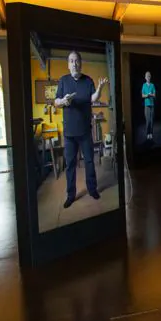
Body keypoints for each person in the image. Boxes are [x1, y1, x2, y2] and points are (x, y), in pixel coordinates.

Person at [54, 51, 109, 209]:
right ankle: (71, 195)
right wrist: (63, 101)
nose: (74, 64)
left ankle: (92, 189)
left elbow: (93, 98)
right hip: (69, 133)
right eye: (71, 61)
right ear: (68, 64)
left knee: (90, 161)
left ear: (80, 63)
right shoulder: (63, 81)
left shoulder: (88, 80)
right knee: (70, 164)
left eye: (77, 61)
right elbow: (56, 101)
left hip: (85, 131)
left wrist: (99, 88)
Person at [141, 71, 156, 140]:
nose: (148, 77)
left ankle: (151, 134)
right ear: (145, 77)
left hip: (152, 105)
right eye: (147, 76)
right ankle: (148, 133)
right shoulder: (144, 85)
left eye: (149, 76)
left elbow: (154, 94)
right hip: (146, 105)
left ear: (150, 77)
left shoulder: (152, 85)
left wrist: (151, 94)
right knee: (148, 120)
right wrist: (147, 95)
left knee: (152, 120)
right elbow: (142, 95)